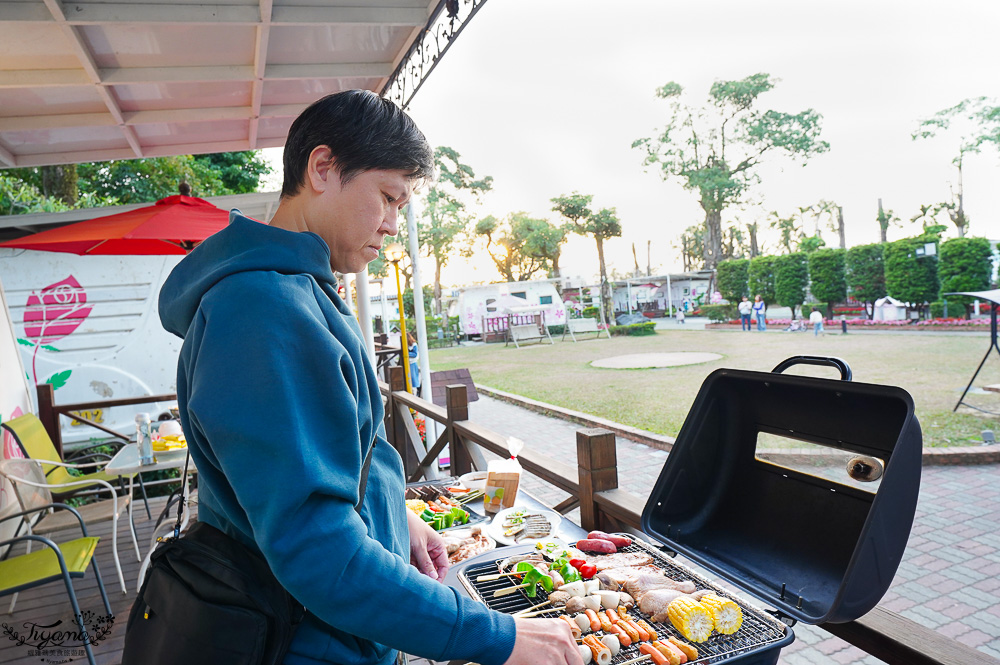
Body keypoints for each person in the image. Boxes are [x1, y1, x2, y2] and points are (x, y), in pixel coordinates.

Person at [158, 90, 580, 665]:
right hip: (302, 640)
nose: (391, 223)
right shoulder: (263, 309)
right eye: (386, 197)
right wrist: (495, 637)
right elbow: (316, 548)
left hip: (341, 629)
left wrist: (393, 510)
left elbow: (336, 455)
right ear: (323, 168)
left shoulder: (304, 290)